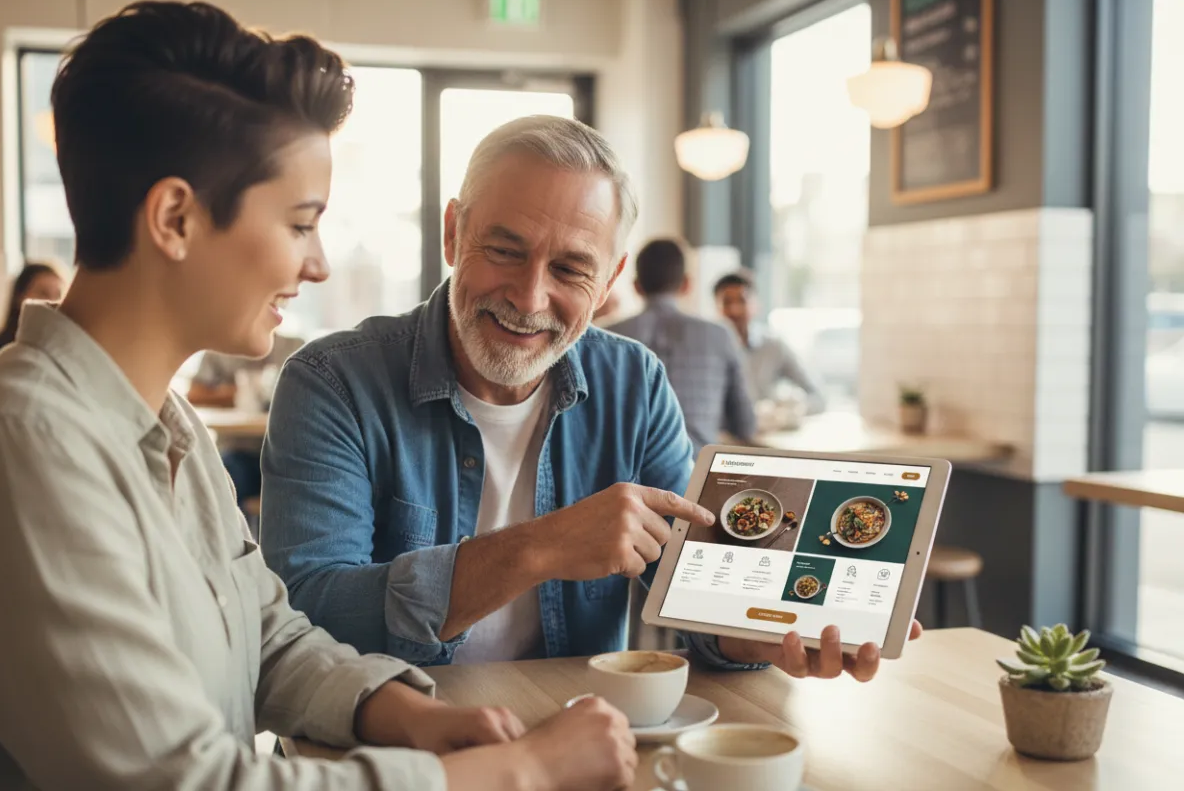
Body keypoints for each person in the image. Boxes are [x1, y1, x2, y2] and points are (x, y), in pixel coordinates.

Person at [0, 3, 637, 791]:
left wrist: (405, 714)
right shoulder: (27, 440)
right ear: (176, 218)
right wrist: (520, 770)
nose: (320, 264)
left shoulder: (163, 422)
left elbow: (270, 637)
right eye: (300, 224)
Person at [261, 115, 917, 678]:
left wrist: (758, 635)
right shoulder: (333, 380)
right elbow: (307, 614)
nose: (529, 297)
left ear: (610, 280)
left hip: (575, 741)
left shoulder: (635, 383)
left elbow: (689, 583)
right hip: (386, 751)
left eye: (571, 268)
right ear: (454, 233)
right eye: (505, 251)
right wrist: (539, 547)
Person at [608, 238, 757, 454]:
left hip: (623, 479)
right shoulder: (720, 335)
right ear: (687, 284)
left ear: (636, 286)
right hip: (695, 474)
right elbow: (745, 425)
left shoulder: (604, 336)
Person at [188, 334, 304, 505]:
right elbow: (195, 394)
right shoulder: (219, 349)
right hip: (240, 452)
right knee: (219, 477)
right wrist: (239, 392)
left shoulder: (293, 346)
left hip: (287, 453)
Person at [713, 271, 826, 412]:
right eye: (727, 302)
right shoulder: (706, 350)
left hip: (768, 429)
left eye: (742, 301)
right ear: (716, 307)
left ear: (756, 304)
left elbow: (817, 396)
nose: (735, 310)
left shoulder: (774, 347)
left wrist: (790, 411)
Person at [0, 262, 66, 361]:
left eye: (58, 295)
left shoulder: (63, 350)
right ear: (20, 297)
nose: (52, 301)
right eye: (43, 293)